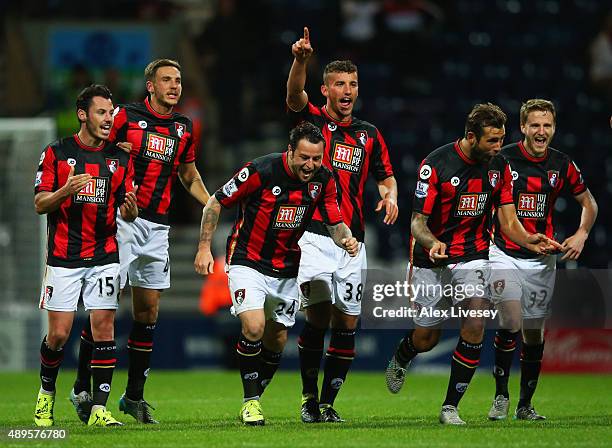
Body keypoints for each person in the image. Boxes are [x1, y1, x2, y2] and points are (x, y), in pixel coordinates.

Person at [384, 103, 561, 425]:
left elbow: (508, 222)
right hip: (431, 259)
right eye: (492, 141)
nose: (498, 147)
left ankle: (450, 406)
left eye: (501, 139)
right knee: (427, 339)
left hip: (473, 254)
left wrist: (529, 239)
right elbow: (417, 223)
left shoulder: (500, 168)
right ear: (471, 137)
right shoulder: (436, 164)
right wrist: (432, 242)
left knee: (476, 319)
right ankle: (403, 354)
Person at [71, 59, 211, 424]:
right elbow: (92, 147)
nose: (174, 86)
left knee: (147, 312)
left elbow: (187, 172)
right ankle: (82, 388)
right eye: (166, 79)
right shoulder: (125, 116)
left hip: (158, 228)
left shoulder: (183, 127)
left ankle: (133, 396)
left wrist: (212, 201)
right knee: (105, 308)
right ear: (150, 85)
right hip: (120, 221)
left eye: (178, 80)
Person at [194, 122, 359, 426]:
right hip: (247, 259)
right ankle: (251, 402)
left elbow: (335, 222)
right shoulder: (260, 170)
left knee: (277, 338)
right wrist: (205, 247)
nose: (310, 165)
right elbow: (216, 202)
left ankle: (256, 391)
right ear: (290, 151)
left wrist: (345, 238)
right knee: (254, 327)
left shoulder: (324, 179)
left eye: (316, 158)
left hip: (286, 267)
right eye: (304, 158)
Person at [287, 27, 399, 423]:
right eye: (339, 84)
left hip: (353, 240)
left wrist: (390, 195)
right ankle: (307, 398)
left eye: (352, 83)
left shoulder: (370, 135)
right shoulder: (314, 124)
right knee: (318, 315)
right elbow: (293, 95)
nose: (348, 90)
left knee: (348, 323)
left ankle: (329, 403)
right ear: (326, 91)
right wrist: (301, 60)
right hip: (314, 235)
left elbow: (386, 175)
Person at [486, 99, 598, 421]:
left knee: (534, 334)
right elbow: (495, 209)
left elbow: (588, 203)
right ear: (523, 127)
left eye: (547, 125)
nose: (541, 131)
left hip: (542, 260)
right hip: (503, 252)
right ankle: (501, 396)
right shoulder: (503, 159)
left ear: (554, 129)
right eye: (535, 125)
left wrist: (582, 234)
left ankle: (525, 405)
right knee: (510, 318)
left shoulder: (562, 164)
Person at [33, 84, 138, 427]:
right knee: (59, 335)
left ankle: (98, 409)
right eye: (101, 112)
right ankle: (46, 396)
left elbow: (128, 211)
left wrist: (132, 210)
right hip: (63, 257)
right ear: (83, 114)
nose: (109, 119)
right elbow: (39, 204)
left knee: (104, 327)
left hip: (105, 255)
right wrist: (65, 190)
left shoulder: (119, 158)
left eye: (111, 113)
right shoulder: (57, 153)